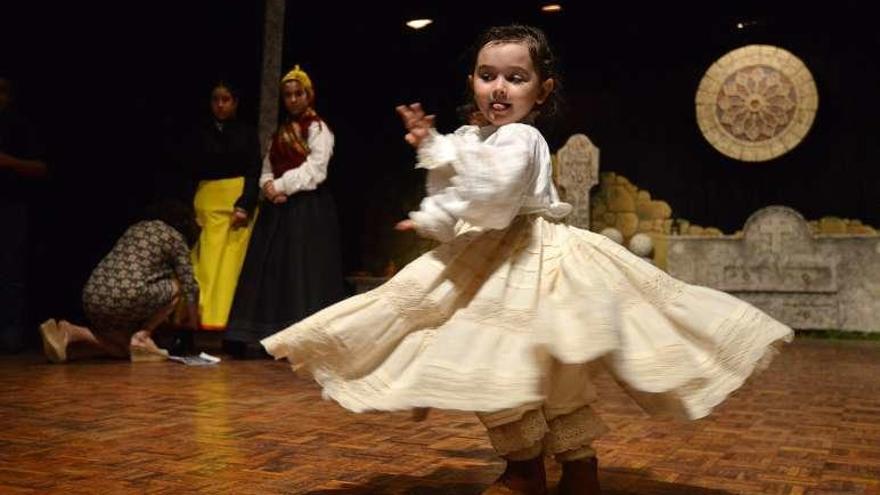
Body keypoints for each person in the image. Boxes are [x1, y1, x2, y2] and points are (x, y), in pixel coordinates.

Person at [260, 25, 793, 495]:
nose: (499, 87)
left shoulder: (524, 138)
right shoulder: (468, 137)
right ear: (471, 80)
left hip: (537, 257)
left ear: (543, 90)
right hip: (481, 258)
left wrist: (441, 151)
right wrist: (431, 212)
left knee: (554, 366)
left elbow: (496, 194)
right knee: (488, 363)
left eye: (516, 77)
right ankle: (523, 466)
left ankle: (579, 465)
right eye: (487, 74)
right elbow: (452, 199)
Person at [224, 65, 345, 357]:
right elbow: (267, 165)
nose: (292, 99)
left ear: (308, 95)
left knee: (303, 273)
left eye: (297, 93)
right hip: (277, 212)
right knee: (274, 273)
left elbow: (316, 169)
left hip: (307, 210)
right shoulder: (280, 132)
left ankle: (306, 338)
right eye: (287, 95)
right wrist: (267, 186)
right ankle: (267, 336)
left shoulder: (317, 128)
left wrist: (280, 186)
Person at [39, 200, 200, 363]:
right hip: (125, 297)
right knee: (176, 286)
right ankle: (141, 335)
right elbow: (189, 286)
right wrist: (194, 322)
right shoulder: (175, 237)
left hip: (92, 295)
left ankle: (68, 351)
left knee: (123, 349)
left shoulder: (136, 228)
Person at [188, 81, 261, 333]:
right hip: (207, 202)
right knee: (204, 264)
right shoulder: (200, 133)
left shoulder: (247, 133)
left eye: (226, 99)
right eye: (216, 99)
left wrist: (245, 204)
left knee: (230, 266)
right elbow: (189, 171)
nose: (220, 105)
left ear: (235, 103)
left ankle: (227, 323)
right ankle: (197, 320)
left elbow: (254, 171)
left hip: (235, 204)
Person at [0, 76, 48, 353]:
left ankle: (10, 333)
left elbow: (42, 168)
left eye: (3, 91)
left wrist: (9, 162)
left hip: (10, 207)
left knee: (10, 271)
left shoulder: (19, 127)